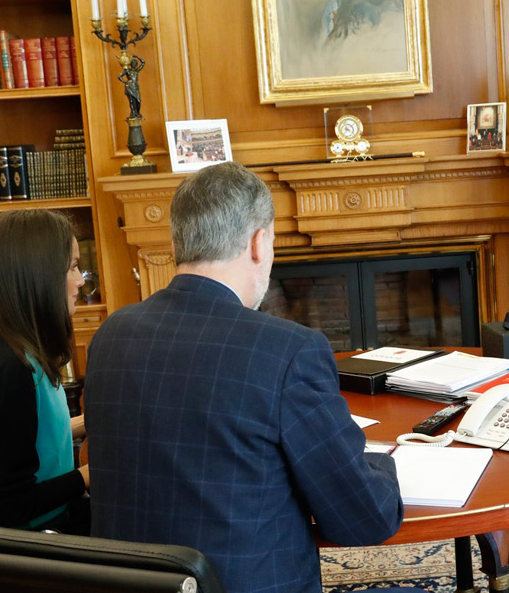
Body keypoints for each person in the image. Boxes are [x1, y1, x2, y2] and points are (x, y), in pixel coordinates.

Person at [83, 162, 406, 593]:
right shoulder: (288, 350)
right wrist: (383, 464)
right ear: (258, 243)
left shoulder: (110, 336)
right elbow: (363, 518)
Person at [0, 209, 89, 534]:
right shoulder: (12, 369)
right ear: (37, 275)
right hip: (28, 548)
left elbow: (25, 439)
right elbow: (9, 505)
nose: (81, 280)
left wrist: (84, 425)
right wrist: (89, 474)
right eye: (72, 267)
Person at [118, 53, 144, 119]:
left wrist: (137, 56)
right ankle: (133, 113)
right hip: (129, 87)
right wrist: (125, 82)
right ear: (131, 64)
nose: (134, 65)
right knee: (131, 101)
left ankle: (137, 113)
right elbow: (119, 76)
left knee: (138, 100)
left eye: (135, 64)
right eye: (133, 63)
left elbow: (143, 62)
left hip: (135, 87)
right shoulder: (127, 71)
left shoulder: (136, 71)